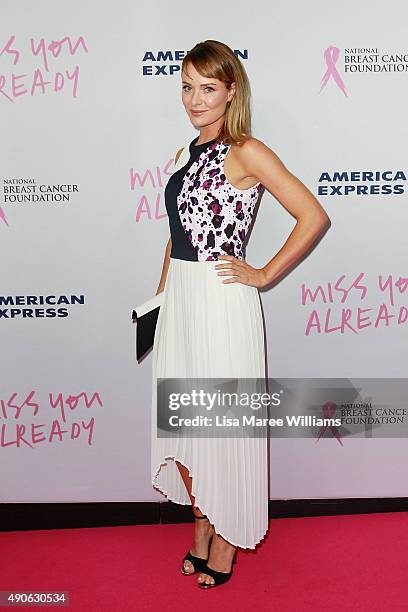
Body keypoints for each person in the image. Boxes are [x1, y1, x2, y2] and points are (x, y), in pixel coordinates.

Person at [150, 39, 331, 589]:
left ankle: (226, 540)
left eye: (208, 88)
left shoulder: (246, 151)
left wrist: (263, 273)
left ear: (232, 91)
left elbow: (312, 216)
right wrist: (161, 297)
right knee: (184, 421)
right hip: (181, 300)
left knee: (222, 428)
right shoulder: (185, 153)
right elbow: (175, 236)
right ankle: (202, 527)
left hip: (222, 302)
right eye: (187, 87)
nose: (195, 99)